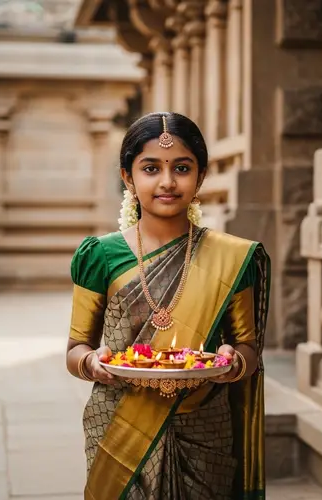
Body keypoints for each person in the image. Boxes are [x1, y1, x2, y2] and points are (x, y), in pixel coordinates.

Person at [66, 112, 271, 500]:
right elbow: (76, 349)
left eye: (181, 167)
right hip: (120, 425)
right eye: (150, 168)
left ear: (201, 176)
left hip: (204, 424)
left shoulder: (232, 258)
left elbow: (247, 347)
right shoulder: (100, 256)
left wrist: (234, 361)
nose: (167, 181)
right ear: (127, 176)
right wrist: (93, 362)